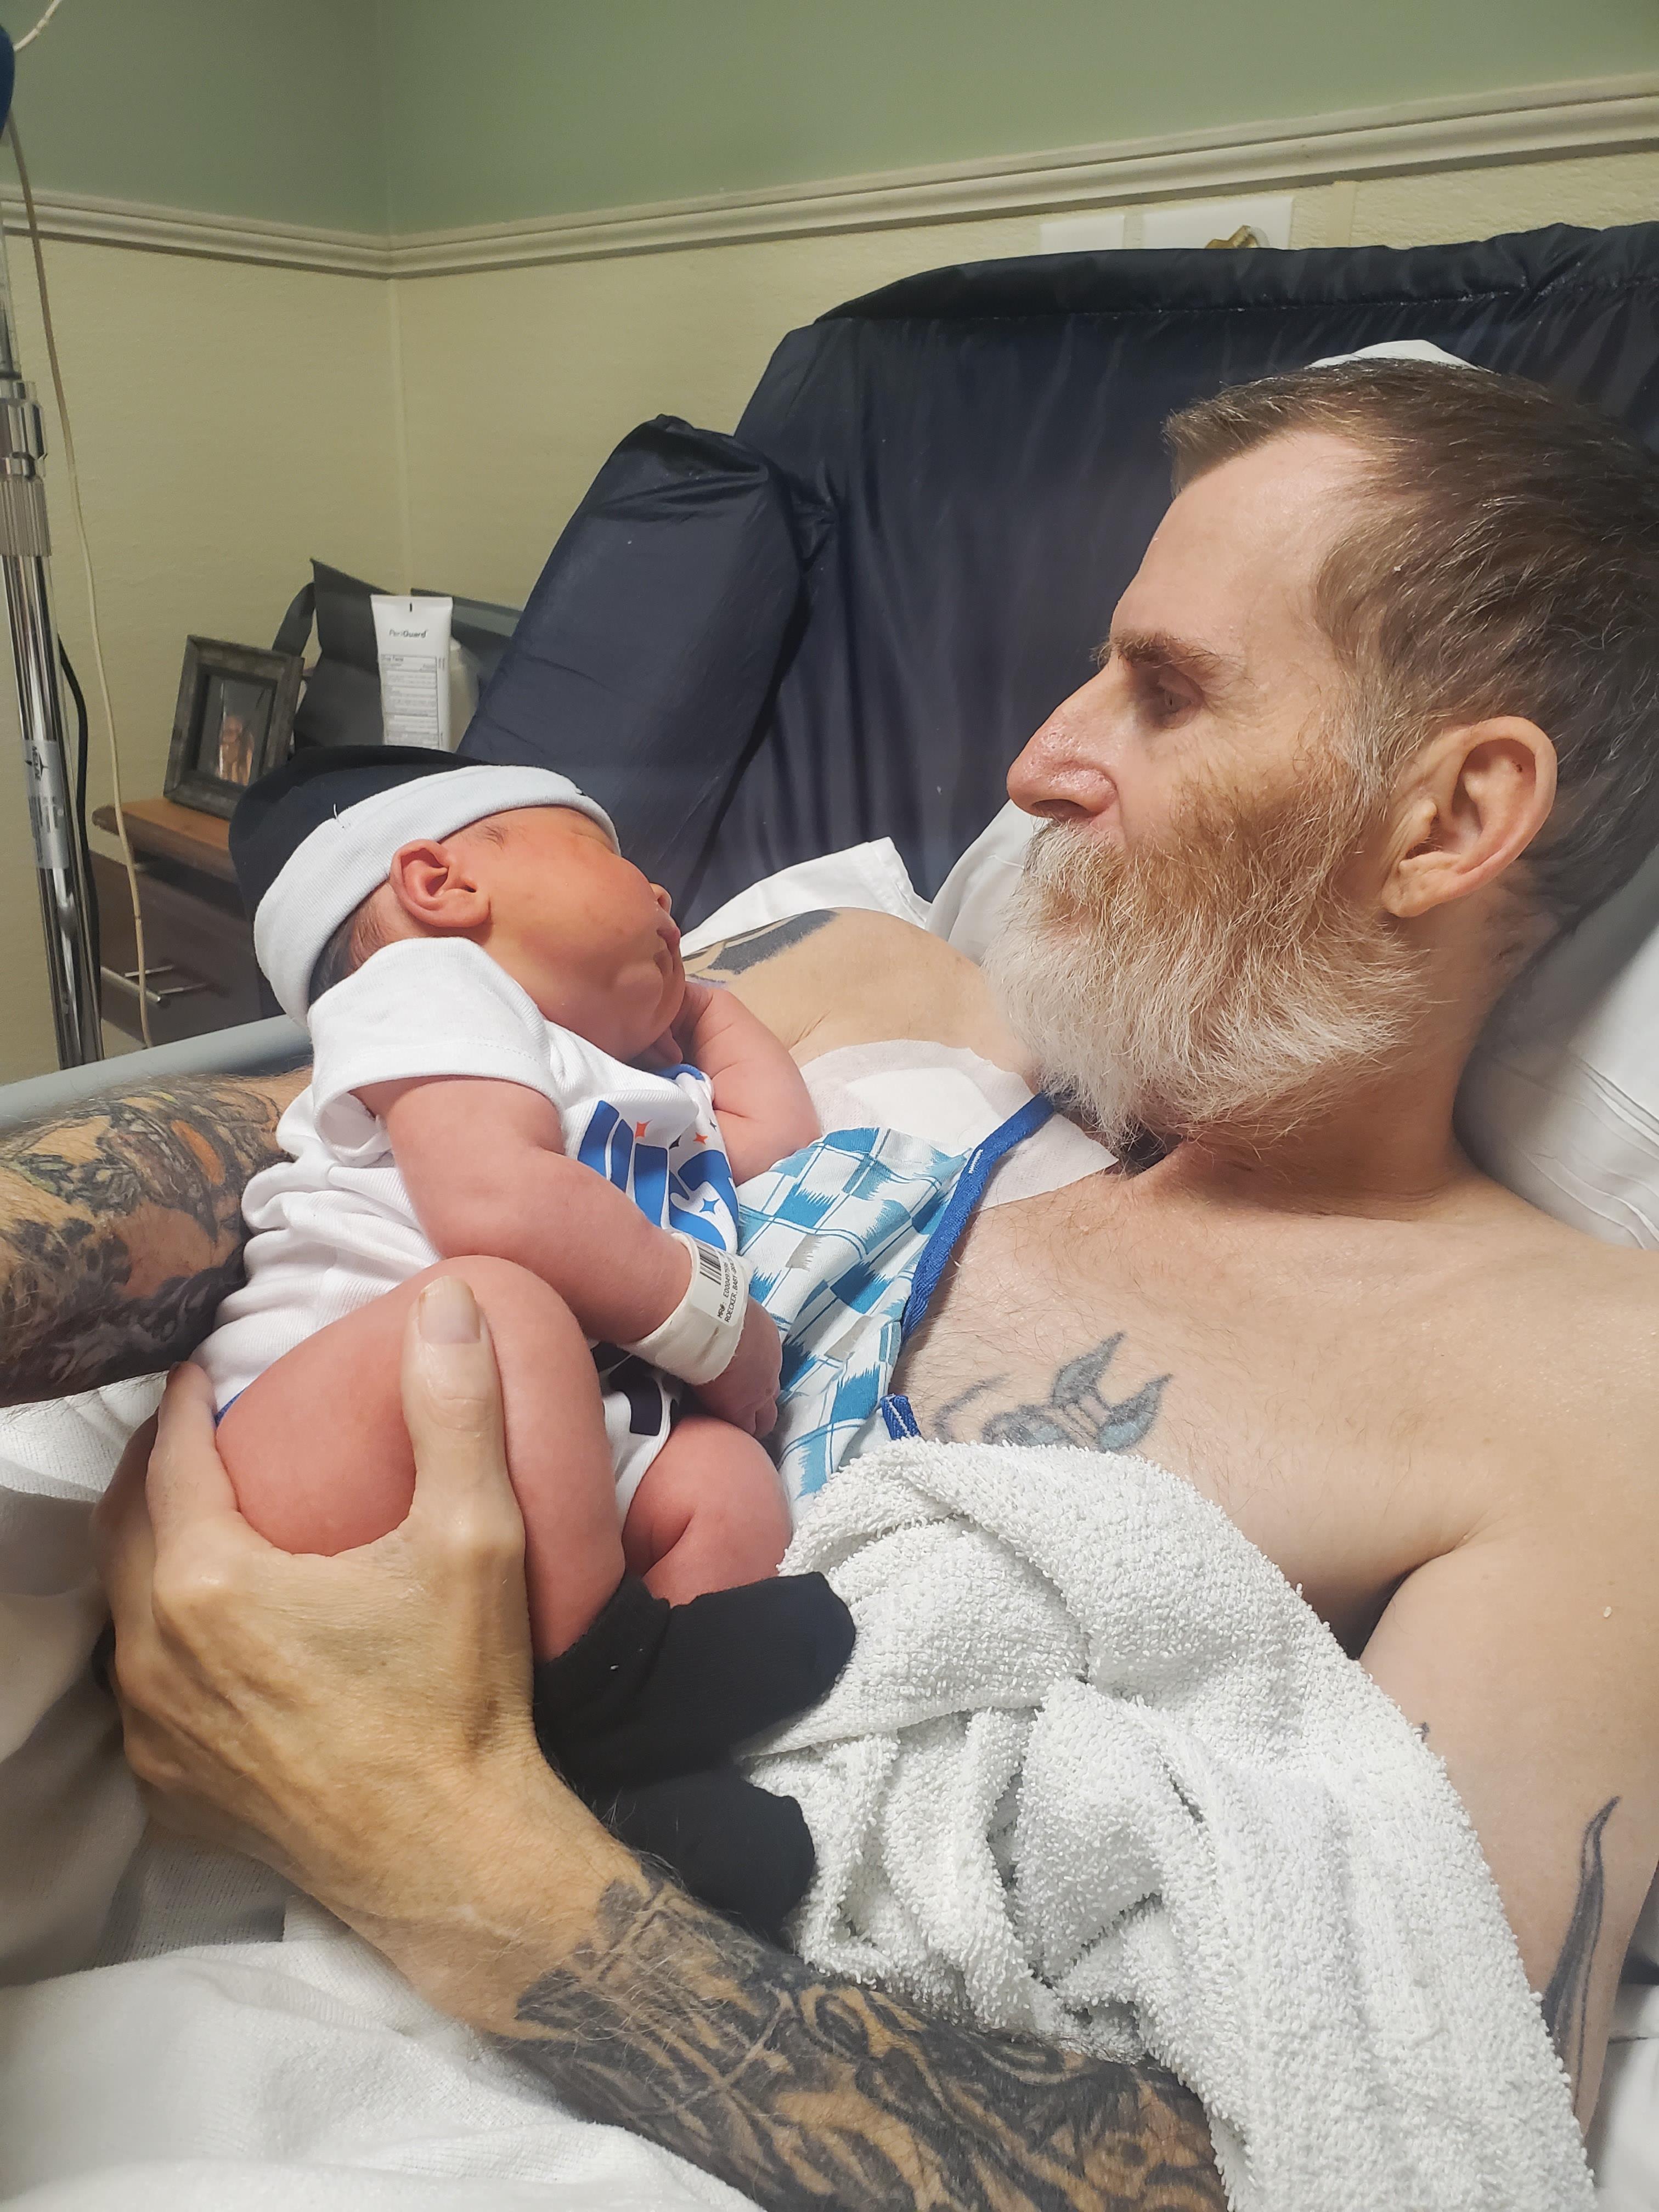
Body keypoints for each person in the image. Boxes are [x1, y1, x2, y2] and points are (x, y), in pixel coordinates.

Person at [12, 355, 1659, 2197]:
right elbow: (287, 1148)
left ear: (1448, 819)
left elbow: (1355, 2133)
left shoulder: (1581, 1391)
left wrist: (428, 1839)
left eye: (1166, 691)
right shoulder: (880, 982)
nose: (1037, 761)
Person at [191, 745, 841, 1935]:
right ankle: (613, 1704)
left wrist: (703, 1001)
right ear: (440, 884)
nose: (665, 897)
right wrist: (719, 1328)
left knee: (725, 1481)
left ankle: (644, 1795)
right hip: (330, 1432)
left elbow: (778, 1141)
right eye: (616, 858)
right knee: (498, 1300)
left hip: (543, 1469)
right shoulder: (430, 993)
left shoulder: (626, 1085)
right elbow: (489, 1200)